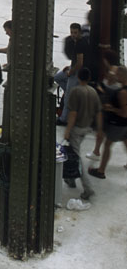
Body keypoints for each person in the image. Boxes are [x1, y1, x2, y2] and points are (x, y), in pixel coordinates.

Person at [61, 67, 102, 205]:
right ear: (89, 78)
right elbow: (98, 112)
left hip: (76, 129)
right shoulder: (93, 92)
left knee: (76, 157)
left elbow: (73, 114)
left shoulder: (76, 91)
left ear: (78, 77)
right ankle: (70, 179)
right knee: (73, 153)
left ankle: (88, 188)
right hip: (87, 128)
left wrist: (67, 130)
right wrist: (99, 130)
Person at [88, 64, 127, 180]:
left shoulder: (122, 93)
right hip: (124, 124)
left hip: (118, 124)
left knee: (107, 145)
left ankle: (101, 171)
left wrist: (111, 108)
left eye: (118, 74)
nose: (116, 76)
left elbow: (124, 113)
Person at [54, 23, 89, 125]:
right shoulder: (79, 41)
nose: (73, 35)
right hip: (73, 68)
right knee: (57, 77)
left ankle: (63, 119)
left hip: (76, 72)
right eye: (72, 32)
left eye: (75, 33)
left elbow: (80, 62)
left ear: (79, 32)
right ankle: (72, 94)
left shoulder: (79, 44)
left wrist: (71, 71)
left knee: (68, 96)